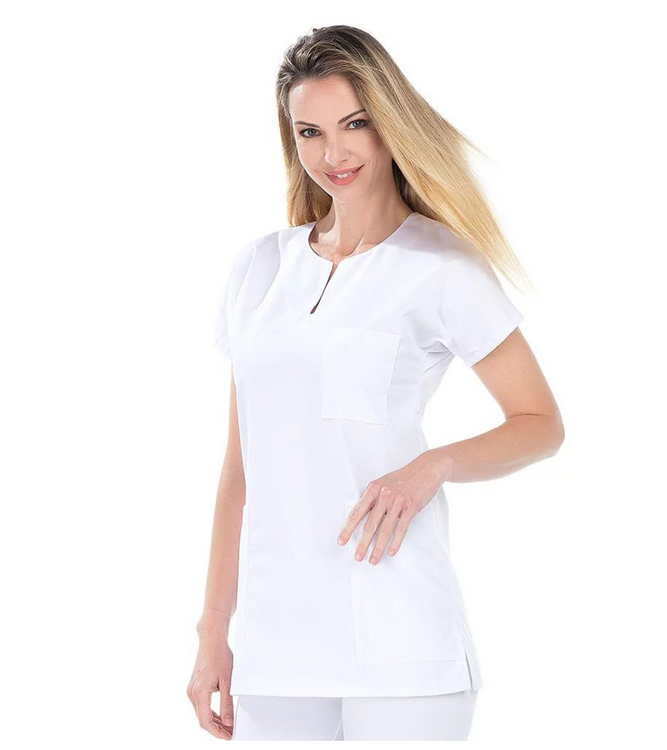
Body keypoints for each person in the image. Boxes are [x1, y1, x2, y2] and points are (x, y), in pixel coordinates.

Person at [186, 25, 564, 741]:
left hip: (401, 645)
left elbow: (540, 423)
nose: (334, 154)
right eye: (311, 132)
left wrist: (433, 466)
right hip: (276, 649)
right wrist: (213, 632)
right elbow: (241, 468)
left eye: (355, 124)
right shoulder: (259, 269)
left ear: (391, 122)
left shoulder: (442, 266)